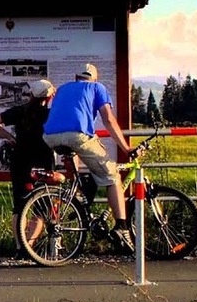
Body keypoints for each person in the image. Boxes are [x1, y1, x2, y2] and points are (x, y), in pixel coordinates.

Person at [41, 63, 135, 254]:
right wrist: (125, 147)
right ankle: (122, 228)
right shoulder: (97, 87)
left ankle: (77, 195)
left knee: (75, 152)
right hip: (77, 135)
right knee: (112, 177)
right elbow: (108, 120)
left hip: (49, 136)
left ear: (77, 77)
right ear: (94, 78)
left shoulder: (64, 88)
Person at [0, 78, 57, 253]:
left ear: (31, 94)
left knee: (19, 205)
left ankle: (20, 246)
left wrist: (10, 138)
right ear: (49, 97)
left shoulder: (20, 111)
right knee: (43, 206)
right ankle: (30, 245)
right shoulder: (51, 114)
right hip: (43, 161)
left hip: (20, 161)